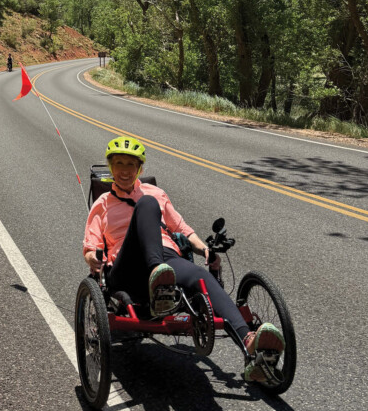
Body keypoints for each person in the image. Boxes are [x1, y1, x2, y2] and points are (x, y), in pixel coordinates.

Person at [83, 135, 284, 384]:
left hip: (167, 257)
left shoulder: (156, 193)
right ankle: (159, 277)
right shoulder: (102, 204)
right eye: (119, 164)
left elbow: (182, 228)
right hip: (127, 267)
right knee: (146, 204)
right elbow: (90, 247)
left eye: (130, 165)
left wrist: (205, 251)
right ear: (111, 167)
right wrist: (93, 259)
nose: (124, 171)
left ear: (139, 169)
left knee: (200, 277)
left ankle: (249, 344)